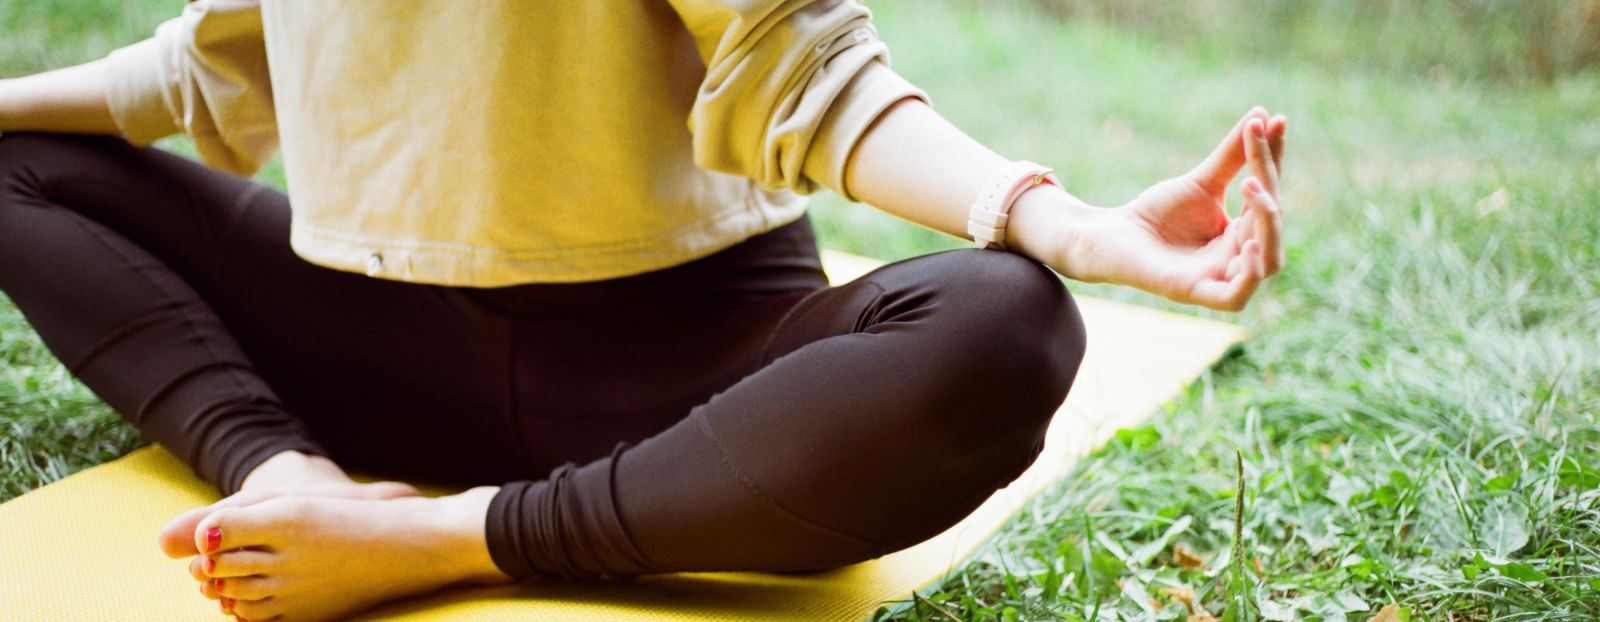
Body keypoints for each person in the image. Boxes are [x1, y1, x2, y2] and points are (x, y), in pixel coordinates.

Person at [0, 1, 1285, 620]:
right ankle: (294, 480)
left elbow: (813, 76)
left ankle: (450, 539)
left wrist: (1063, 222)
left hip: (686, 376)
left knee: (1006, 321)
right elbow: (202, 68)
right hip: (373, 340)